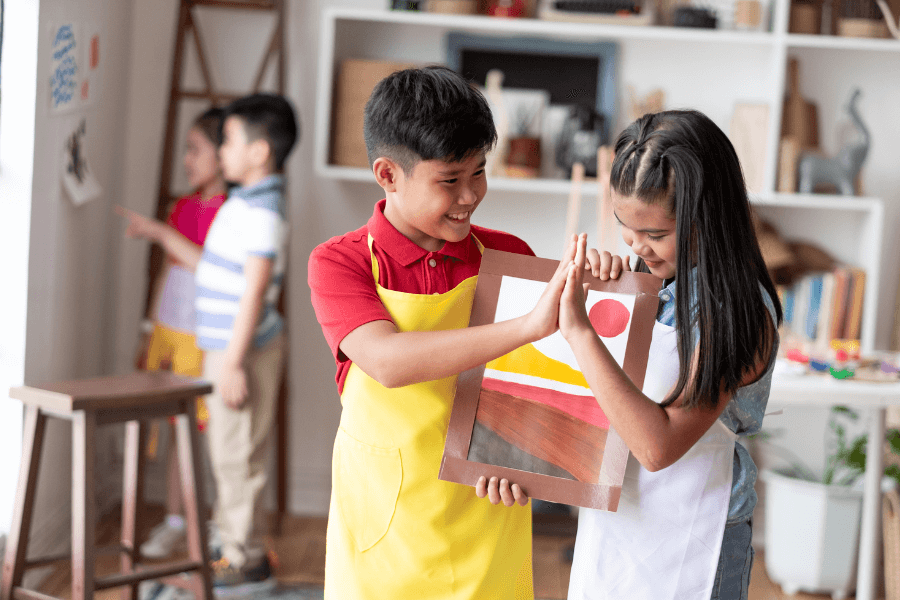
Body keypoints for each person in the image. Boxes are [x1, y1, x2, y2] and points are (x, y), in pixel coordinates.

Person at [307, 65, 569, 599]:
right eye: (450, 180)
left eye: (479, 171)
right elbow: (388, 361)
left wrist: (527, 465)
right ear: (388, 174)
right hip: (387, 518)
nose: (471, 194)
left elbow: (539, 389)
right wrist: (525, 325)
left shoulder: (509, 255)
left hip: (486, 509)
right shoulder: (341, 262)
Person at [555, 110, 783, 600]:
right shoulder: (649, 283)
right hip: (619, 522)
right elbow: (598, 403)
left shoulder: (739, 313)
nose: (637, 245)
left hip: (696, 537)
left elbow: (658, 447)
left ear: (708, 217)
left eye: (655, 235)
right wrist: (607, 298)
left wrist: (580, 333)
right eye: (624, 226)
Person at [121, 93, 298, 589]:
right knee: (226, 451)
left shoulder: (262, 213)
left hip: (243, 351)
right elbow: (207, 266)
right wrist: (159, 234)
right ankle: (235, 546)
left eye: (230, 141)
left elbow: (256, 289)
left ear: (259, 151)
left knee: (236, 453)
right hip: (226, 349)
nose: (222, 151)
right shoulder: (243, 205)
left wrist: (234, 362)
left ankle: (242, 556)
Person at [118, 107, 227, 560]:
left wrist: (160, 232)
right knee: (174, 430)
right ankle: (175, 520)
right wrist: (148, 330)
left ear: (224, 155)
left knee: (212, 435)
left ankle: (220, 524)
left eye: (195, 149)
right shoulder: (183, 207)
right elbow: (167, 272)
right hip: (170, 334)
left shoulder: (229, 214)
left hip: (206, 343)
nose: (187, 159)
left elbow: (206, 265)